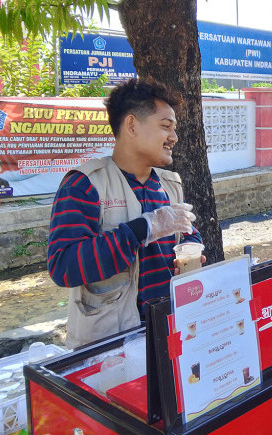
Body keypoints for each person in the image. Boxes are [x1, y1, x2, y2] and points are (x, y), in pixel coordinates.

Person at [47, 79, 202, 348]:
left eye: (174, 129)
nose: (174, 137)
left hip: (169, 336)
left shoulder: (169, 185)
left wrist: (192, 252)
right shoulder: (85, 184)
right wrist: (142, 229)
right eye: (166, 126)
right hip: (109, 345)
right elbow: (64, 266)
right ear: (131, 125)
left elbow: (188, 237)